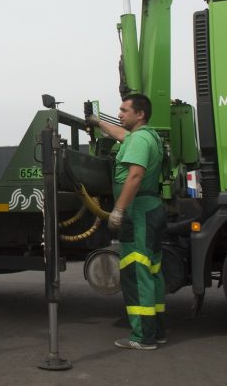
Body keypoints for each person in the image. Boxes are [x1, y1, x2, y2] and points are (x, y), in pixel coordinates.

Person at [87, 93, 166, 350]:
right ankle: (156, 330)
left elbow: (135, 175)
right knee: (152, 271)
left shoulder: (140, 140)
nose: (119, 114)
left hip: (139, 211)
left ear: (140, 114)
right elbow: (120, 135)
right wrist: (99, 123)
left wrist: (119, 210)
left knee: (136, 271)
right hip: (150, 207)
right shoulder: (143, 136)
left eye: (124, 110)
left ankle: (143, 337)